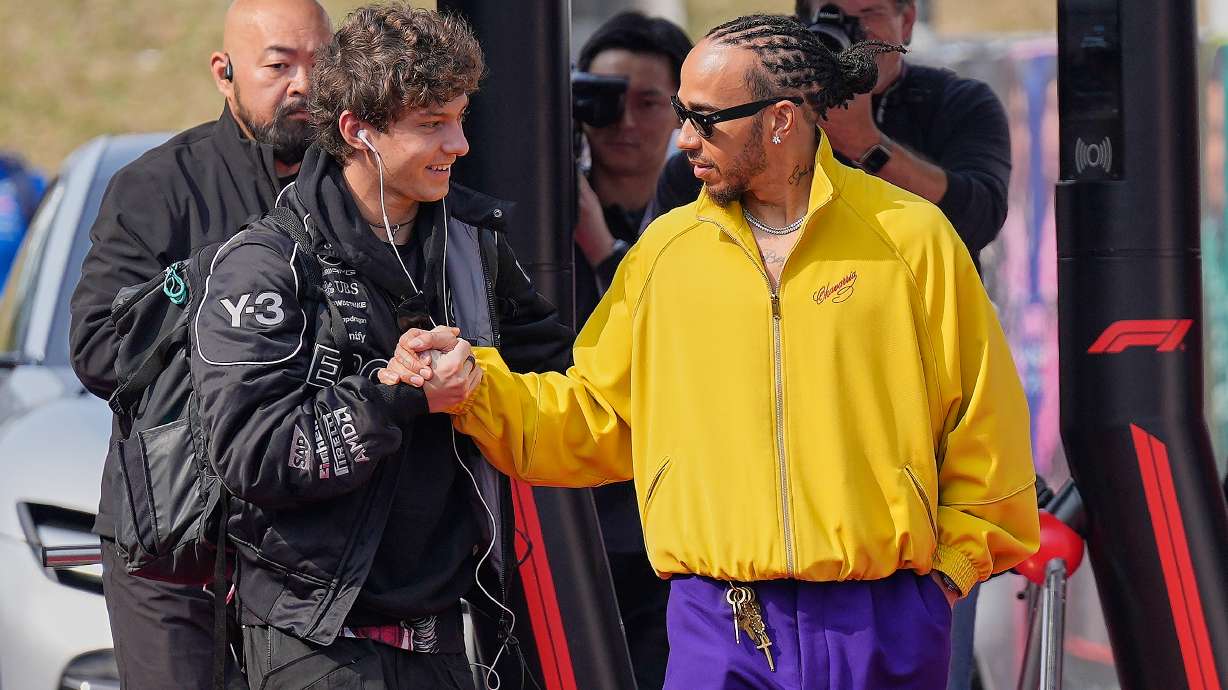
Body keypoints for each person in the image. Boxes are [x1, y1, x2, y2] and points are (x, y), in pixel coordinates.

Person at [391, 14, 1039, 689]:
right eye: (682, 115)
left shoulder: (914, 241)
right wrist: (475, 385)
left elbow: (985, 426)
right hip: (716, 622)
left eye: (704, 119)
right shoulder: (665, 254)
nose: (683, 139)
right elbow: (594, 415)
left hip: (885, 618)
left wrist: (946, 580)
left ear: (783, 119)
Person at [189, 5, 571, 687]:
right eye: (431, 125)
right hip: (318, 641)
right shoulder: (266, 264)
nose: (459, 143)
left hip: (453, 635)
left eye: (459, 117)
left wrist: (480, 377)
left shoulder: (471, 242)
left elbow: (556, 371)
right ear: (356, 131)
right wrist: (392, 397)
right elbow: (253, 453)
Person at [67, 1, 330, 686]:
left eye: (319, 63)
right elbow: (98, 348)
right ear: (225, 71)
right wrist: (228, 286)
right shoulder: (156, 187)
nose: (303, 83)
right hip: (173, 543)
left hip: (316, 549)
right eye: (279, 65)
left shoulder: (355, 190)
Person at [651, 1, 1010, 276]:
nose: (853, 33)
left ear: (908, 21)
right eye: (831, 14)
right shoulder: (756, 117)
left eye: (869, 13)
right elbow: (672, 224)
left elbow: (979, 219)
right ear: (800, 27)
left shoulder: (957, 103)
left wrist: (867, 144)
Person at [571, 11, 691, 688]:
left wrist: (604, 252)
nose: (626, 122)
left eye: (649, 103)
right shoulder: (529, 215)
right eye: (606, 99)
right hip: (572, 515)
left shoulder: (703, 212)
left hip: (667, 522)